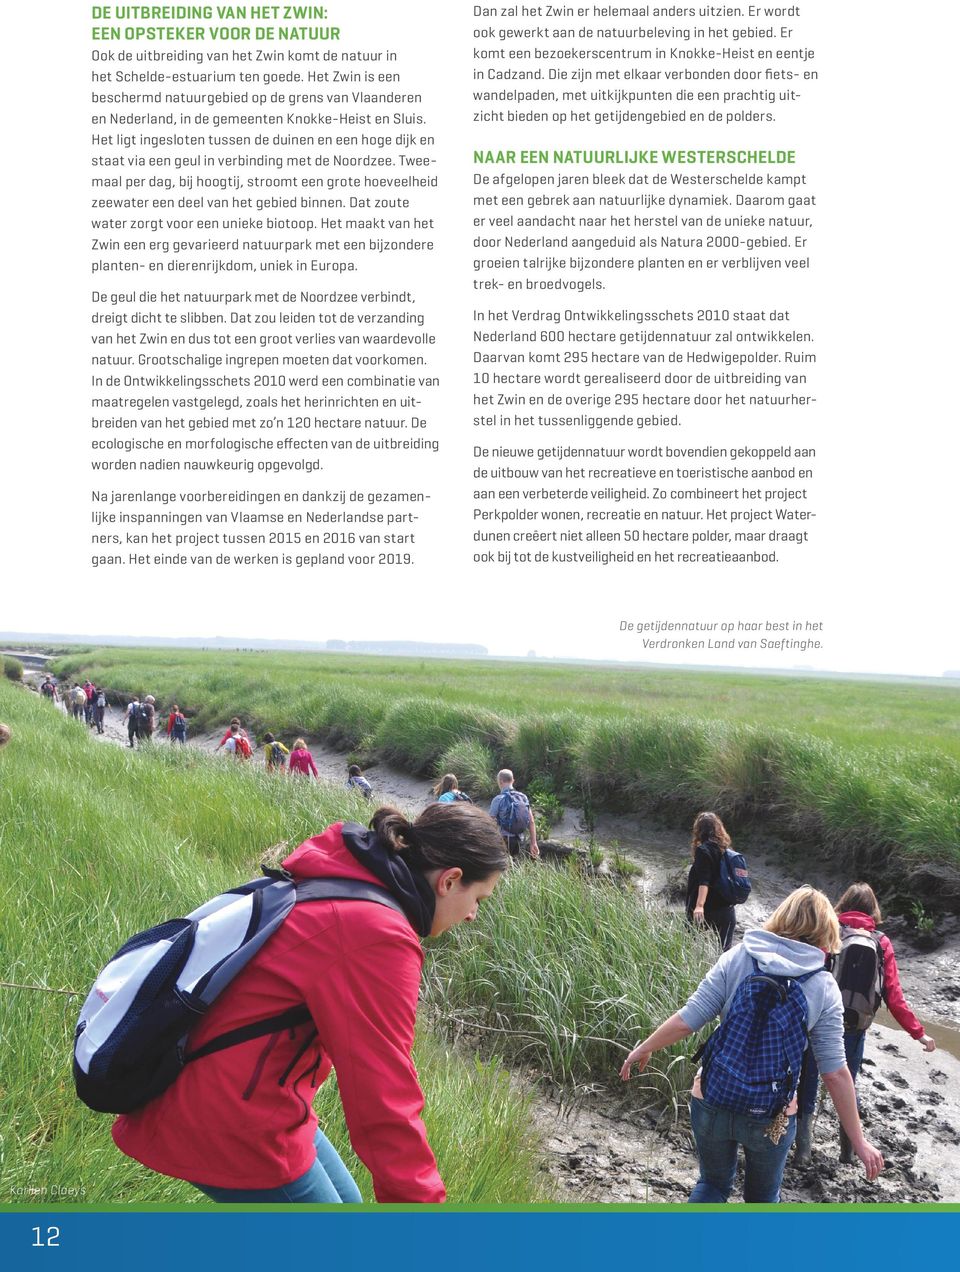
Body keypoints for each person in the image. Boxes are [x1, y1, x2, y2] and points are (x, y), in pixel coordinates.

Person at [111, 803, 510, 1203]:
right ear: (451, 880)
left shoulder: (347, 877)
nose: (474, 914)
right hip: (227, 1116)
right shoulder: (376, 935)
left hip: (228, 1086)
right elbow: (384, 1099)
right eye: (480, 898)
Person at [620, 886, 884, 1203]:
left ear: (781, 916)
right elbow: (835, 1073)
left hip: (713, 1096)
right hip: (772, 1114)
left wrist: (645, 1047)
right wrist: (858, 1139)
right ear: (827, 930)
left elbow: (688, 1019)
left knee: (713, 1185)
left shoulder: (739, 956)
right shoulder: (823, 985)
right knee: (762, 1198)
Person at [795, 881, 936, 1165]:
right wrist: (918, 1034)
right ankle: (847, 1152)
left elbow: (806, 973)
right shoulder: (881, 942)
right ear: (873, 910)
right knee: (848, 1081)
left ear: (844, 904)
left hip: (818, 1020)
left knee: (808, 1079)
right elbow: (893, 995)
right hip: (855, 1026)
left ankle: (802, 1152)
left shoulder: (830, 930)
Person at [686, 811, 737, 953]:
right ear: (718, 828)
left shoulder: (703, 851)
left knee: (688, 946)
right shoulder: (726, 850)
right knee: (725, 952)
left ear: (699, 829)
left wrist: (699, 906)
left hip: (707, 909)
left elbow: (704, 881)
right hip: (727, 909)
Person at [489, 769, 539, 860]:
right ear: (513, 781)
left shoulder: (498, 799)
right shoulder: (523, 797)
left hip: (504, 840)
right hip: (520, 839)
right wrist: (533, 843)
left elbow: (489, 822)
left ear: (500, 781)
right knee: (517, 868)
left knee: (504, 868)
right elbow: (531, 821)